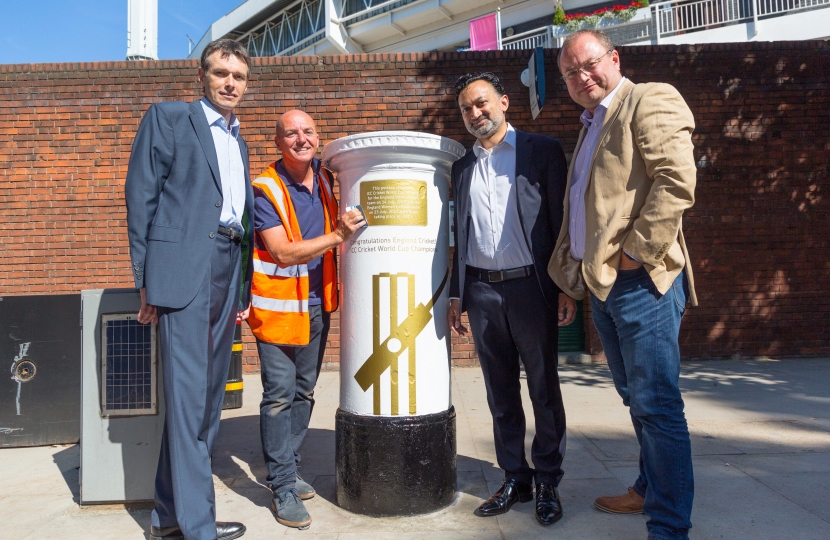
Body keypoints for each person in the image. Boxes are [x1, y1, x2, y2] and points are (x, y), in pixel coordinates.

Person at [548, 29, 698, 540]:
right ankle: (649, 489)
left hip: (642, 284)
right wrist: (573, 281)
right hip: (605, 287)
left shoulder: (648, 98)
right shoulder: (592, 124)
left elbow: (675, 181)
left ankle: (669, 525)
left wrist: (636, 254)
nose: (581, 76)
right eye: (570, 72)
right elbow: (583, 212)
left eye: (588, 64)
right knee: (637, 398)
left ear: (614, 58)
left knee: (656, 403)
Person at [125, 38, 253, 540]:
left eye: (238, 77)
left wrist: (240, 287)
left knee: (203, 402)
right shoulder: (170, 117)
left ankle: (169, 517)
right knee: (187, 400)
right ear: (201, 75)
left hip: (226, 268)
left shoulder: (239, 140)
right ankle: (199, 528)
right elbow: (142, 198)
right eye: (221, 72)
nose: (229, 83)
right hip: (182, 273)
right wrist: (146, 281)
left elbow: (238, 217)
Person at [447, 72, 574, 527]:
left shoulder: (541, 151)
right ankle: (515, 478)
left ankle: (547, 480)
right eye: (466, 108)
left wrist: (564, 286)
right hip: (481, 291)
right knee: (499, 391)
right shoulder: (461, 167)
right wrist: (459, 293)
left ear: (503, 102)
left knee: (543, 388)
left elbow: (561, 224)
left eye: (481, 103)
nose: (475, 113)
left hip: (530, 288)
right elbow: (461, 234)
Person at [248, 110, 364, 529]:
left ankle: (289, 468)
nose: (301, 139)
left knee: (304, 391)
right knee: (279, 395)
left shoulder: (325, 176)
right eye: (291, 133)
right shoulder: (265, 189)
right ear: (277, 142)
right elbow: (281, 252)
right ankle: (280, 486)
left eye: (308, 131)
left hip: (316, 303)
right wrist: (338, 236)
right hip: (278, 309)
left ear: (319, 137)